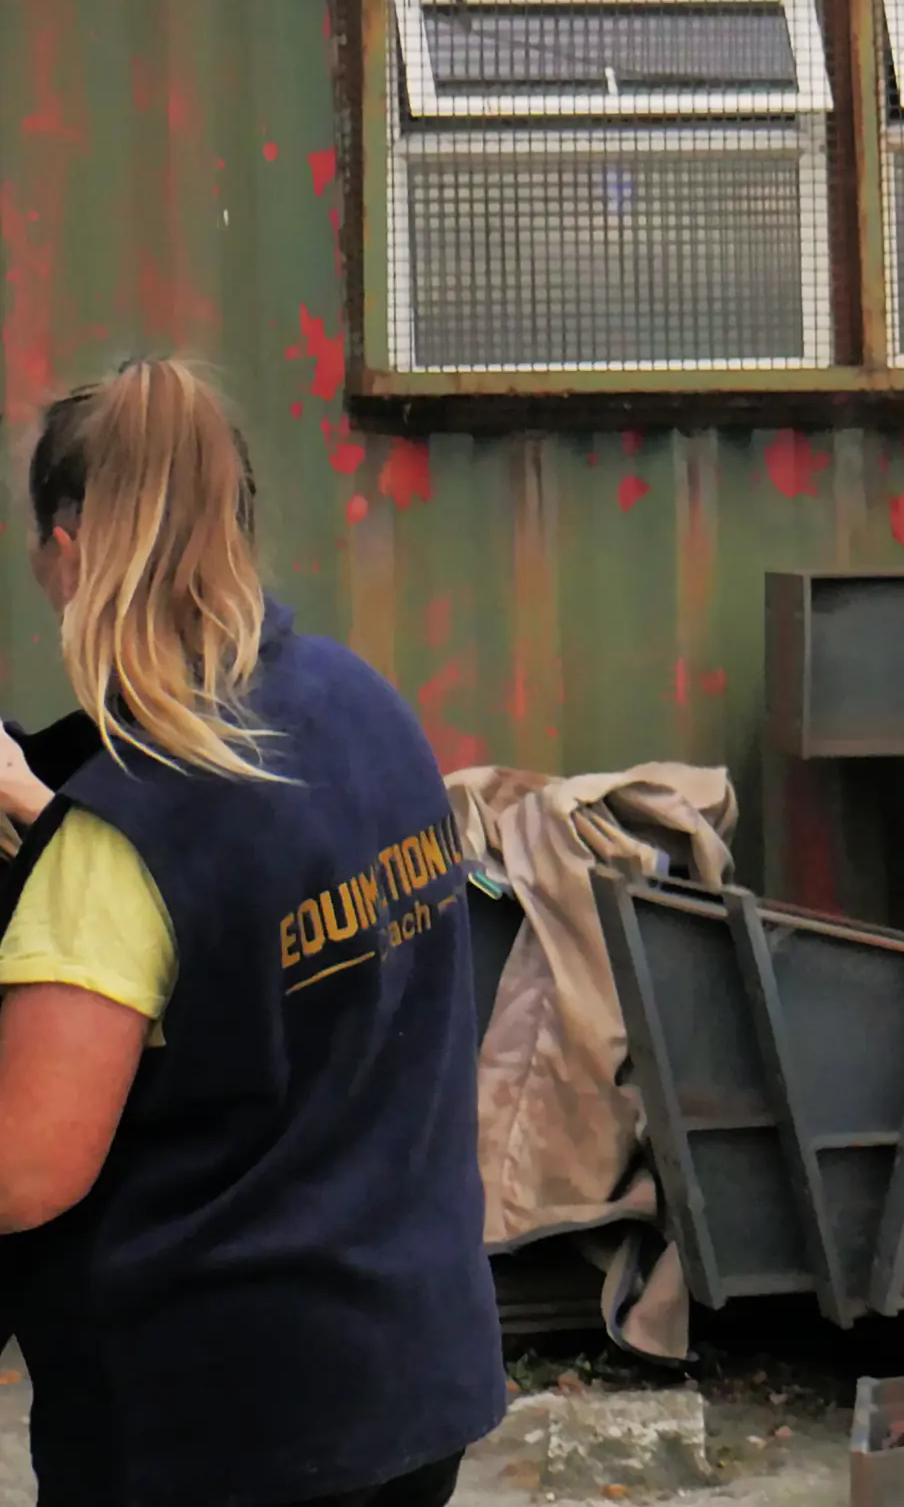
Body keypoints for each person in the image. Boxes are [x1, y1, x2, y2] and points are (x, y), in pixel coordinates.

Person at [1, 360, 507, 1507]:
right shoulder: (359, 706)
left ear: (69, 553)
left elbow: (26, 1169)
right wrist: (49, 810)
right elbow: (253, 893)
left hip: (224, 1428)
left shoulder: (125, 837)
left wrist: (74, 843)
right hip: (409, 1378)